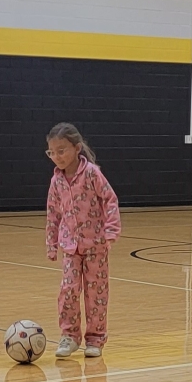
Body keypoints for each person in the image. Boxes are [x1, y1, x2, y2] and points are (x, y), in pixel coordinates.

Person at [45, 122, 121, 357]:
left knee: (96, 293)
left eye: (61, 151)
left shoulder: (92, 173)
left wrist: (111, 231)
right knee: (68, 290)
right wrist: (51, 243)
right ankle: (69, 336)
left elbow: (110, 199)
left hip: (96, 246)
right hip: (70, 246)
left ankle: (96, 339)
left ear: (76, 148)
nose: (57, 157)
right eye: (51, 152)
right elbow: (53, 213)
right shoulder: (56, 181)